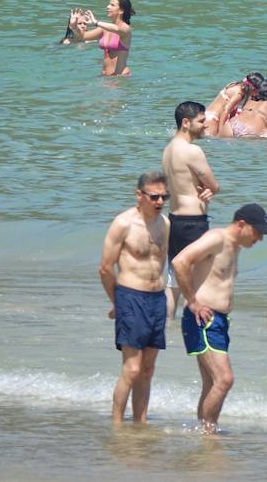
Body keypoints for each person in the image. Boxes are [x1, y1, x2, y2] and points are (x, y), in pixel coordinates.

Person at [170, 203, 267, 433]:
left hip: (217, 321)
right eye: (257, 232)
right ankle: (208, 433)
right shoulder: (217, 238)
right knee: (224, 379)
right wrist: (193, 302)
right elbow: (180, 262)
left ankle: (203, 432)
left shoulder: (234, 247)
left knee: (211, 382)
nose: (259, 239)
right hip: (203, 318)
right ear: (241, 225)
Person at [99, 170, 170, 425]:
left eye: (164, 196)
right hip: (131, 296)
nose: (160, 202)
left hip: (157, 299)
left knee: (148, 370)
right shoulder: (123, 224)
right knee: (132, 368)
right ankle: (117, 423)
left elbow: (164, 262)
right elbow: (105, 268)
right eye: (154, 197)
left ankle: (141, 422)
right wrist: (117, 303)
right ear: (139, 195)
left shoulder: (165, 223)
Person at [163, 101, 220, 316]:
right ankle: (196, 330)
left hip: (174, 219)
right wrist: (214, 189)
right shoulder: (192, 151)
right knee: (199, 282)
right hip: (193, 222)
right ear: (186, 123)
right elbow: (213, 185)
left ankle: (169, 328)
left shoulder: (169, 149)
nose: (205, 126)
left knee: (173, 282)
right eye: (201, 121)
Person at [76, 0, 133, 77]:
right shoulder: (104, 29)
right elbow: (82, 37)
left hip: (120, 77)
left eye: (112, 5)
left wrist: (96, 22)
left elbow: (116, 28)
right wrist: (74, 24)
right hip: (105, 77)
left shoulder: (126, 29)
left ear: (121, 11)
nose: (108, 7)